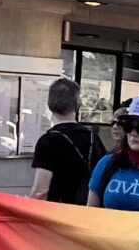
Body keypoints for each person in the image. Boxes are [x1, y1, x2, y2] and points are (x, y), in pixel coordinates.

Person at [29, 77, 103, 206]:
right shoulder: (93, 138)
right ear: (77, 105)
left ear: (49, 105)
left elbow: (41, 191)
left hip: (58, 214)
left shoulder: (48, 141)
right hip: (89, 212)